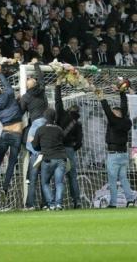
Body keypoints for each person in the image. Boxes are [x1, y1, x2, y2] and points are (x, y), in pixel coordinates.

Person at [96, 87, 135, 208]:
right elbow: (124, 106)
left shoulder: (115, 121)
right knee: (123, 179)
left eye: (114, 112)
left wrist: (102, 97)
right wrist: (122, 91)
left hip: (114, 155)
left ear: (117, 114)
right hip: (123, 154)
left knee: (112, 180)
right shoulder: (126, 121)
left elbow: (107, 110)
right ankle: (130, 200)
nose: (111, 114)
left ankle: (113, 203)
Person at [0, 65, 24, 200]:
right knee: (11, 163)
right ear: (0, 92)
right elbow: (6, 85)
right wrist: (0, 74)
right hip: (16, 134)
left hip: (5, 133)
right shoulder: (9, 94)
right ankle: (5, 188)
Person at [21, 61, 49, 209]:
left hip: (37, 122)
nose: (28, 80)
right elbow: (42, 78)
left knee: (29, 144)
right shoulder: (41, 89)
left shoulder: (25, 97)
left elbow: (21, 111)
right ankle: (45, 204)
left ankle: (36, 153)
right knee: (44, 178)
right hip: (46, 122)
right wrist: (37, 65)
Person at [55, 77, 83, 209]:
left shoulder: (61, 115)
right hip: (70, 150)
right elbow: (79, 142)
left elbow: (58, 101)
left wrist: (58, 85)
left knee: (58, 176)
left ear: (68, 109)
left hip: (59, 149)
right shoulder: (78, 124)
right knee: (72, 176)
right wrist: (72, 147)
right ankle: (77, 201)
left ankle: (57, 202)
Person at [32, 108, 67, 210]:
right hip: (61, 158)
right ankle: (59, 204)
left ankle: (51, 204)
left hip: (47, 158)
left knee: (45, 183)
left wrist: (42, 147)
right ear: (54, 117)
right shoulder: (59, 129)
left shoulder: (40, 129)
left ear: (44, 117)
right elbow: (63, 141)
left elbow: (35, 146)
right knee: (59, 183)